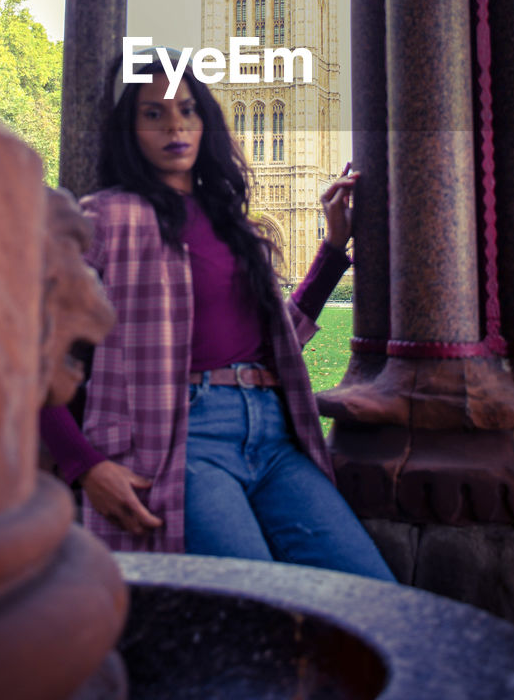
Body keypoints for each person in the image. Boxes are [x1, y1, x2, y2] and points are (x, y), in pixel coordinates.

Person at [40, 51, 394, 580]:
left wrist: (334, 247)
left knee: (367, 590)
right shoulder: (106, 219)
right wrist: (83, 465)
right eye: (152, 113)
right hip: (184, 440)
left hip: (274, 436)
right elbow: (25, 354)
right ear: (128, 129)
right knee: (253, 614)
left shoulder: (235, 226)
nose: (175, 125)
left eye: (187, 109)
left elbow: (277, 344)